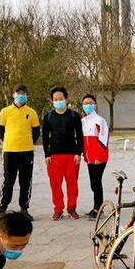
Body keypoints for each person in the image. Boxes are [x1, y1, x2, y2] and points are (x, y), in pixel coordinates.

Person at [0, 84, 40, 221]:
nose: (21, 96)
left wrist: (26, 142)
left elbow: (36, 132)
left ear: (27, 96)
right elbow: (1, 131)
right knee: (8, 181)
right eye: (18, 93)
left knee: (25, 181)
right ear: (13, 95)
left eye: (23, 93)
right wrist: (10, 142)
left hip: (27, 152)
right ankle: (2, 209)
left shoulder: (32, 112)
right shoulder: (5, 112)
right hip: (10, 151)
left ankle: (24, 208)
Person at [42, 86, 84, 220]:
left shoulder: (74, 115)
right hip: (54, 156)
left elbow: (80, 135)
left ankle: (71, 208)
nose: (58, 101)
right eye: (55, 99)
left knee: (72, 184)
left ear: (65, 99)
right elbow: (44, 136)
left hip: (71, 155)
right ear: (52, 101)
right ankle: (58, 209)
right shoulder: (48, 117)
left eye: (60, 98)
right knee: (55, 184)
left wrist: (78, 153)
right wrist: (47, 154)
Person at [81, 94, 109, 219]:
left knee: (97, 183)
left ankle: (98, 209)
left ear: (95, 105)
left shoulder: (100, 120)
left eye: (90, 102)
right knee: (93, 183)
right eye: (85, 103)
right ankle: (96, 207)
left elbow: (103, 139)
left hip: (99, 158)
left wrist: (99, 156)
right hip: (89, 158)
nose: (87, 105)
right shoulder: (82, 121)